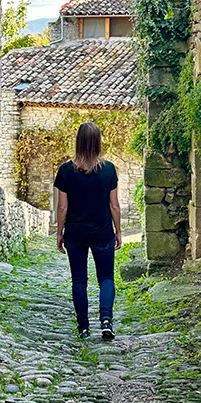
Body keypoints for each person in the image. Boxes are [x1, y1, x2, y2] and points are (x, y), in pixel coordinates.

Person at [54, 122, 122, 340]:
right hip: (102, 232)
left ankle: (83, 327)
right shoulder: (109, 170)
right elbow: (114, 205)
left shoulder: (65, 171)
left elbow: (62, 206)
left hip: (75, 233)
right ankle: (106, 321)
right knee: (106, 278)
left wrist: (59, 232)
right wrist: (118, 231)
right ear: (98, 142)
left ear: (78, 142)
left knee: (79, 280)